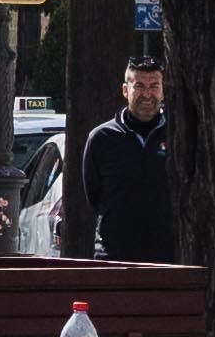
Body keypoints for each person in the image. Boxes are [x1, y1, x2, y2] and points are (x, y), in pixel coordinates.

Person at [69, 59, 175, 262]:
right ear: (125, 91)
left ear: (163, 91)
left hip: (168, 257)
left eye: (154, 87)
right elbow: (94, 194)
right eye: (139, 87)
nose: (147, 94)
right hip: (114, 256)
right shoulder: (102, 138)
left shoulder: (177, 135)